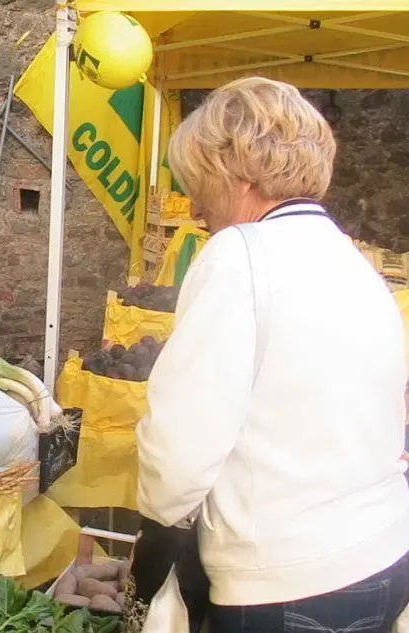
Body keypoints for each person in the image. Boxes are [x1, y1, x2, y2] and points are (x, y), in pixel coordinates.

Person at [135, 76, 409, 633]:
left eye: (197, 186)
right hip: (382, 553)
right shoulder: (350, 258)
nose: (197, 206)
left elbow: (182, 443)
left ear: (231, 175)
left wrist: (155, 532)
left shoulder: (239, 254)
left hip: (288, 580)